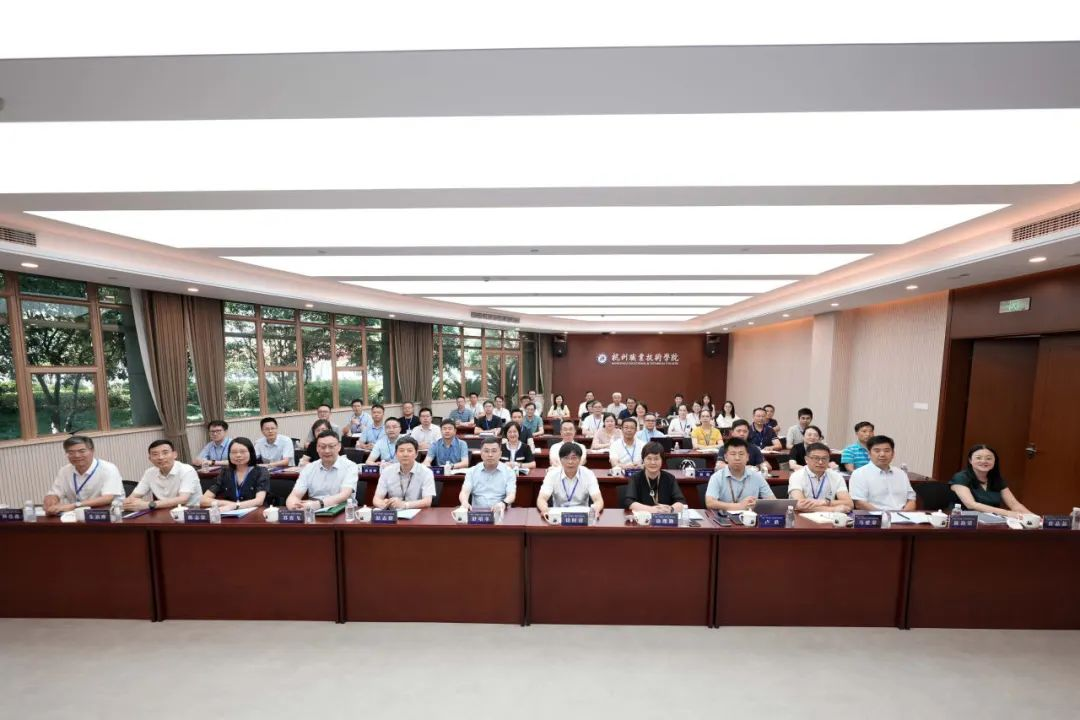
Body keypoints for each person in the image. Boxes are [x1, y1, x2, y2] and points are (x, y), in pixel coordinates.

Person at [44, 435, 124, 515]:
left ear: (92, 450)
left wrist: (75, 505)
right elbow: (54, 493)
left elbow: (107, 498)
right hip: (75, 515)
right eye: (71, 452)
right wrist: (51, 501)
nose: (76, 455)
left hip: (108, 515)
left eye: (82, 451)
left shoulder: (109, 469)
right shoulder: (65, 471)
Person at [949, 444, 1034, 518]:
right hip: (965, 521)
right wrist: (1007, 513)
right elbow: (971, 504)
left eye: (988, 458)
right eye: (978, 458)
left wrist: (1034, 518)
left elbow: (1014, 504)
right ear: (970, 460)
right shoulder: (961, 477)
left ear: (994, 461)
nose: (984, 461)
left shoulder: (996, 479)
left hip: (993, 520)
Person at [286, 431, 359, 510]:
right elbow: (295, 495)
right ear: (317, 448)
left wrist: (318, 504)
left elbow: (344, 494)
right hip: (313, 511)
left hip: (343, 510)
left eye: (331, 446)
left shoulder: (350, 466)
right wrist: (294, 508)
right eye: (323, 447)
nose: (327, 451)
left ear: (339, 447)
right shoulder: (309, 468)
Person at [124, 439, 201, 511]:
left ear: (175, 454)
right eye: (155, 454)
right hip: (164, 512)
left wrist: (149, 504)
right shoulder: (149, 473)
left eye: (165, 453)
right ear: (150, 459)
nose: (160, 457)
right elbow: (133, 497)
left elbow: (183, 499)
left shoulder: (187, 470)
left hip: (191, 512)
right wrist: (128, 503)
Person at [705, 438, 776, 512]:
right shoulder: (717, 477)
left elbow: (773, 501)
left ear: (747, 457)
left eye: (741, 454)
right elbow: (710, 503)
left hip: (750, 517)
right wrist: (739, 506)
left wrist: (758, 504)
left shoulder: (757, 477)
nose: (737, 458)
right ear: (725, 457)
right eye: (733, 454)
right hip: (724, 517)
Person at [199, 436, 270, 510]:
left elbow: (259, 501)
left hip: (255, 513)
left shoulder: (261, 471)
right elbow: (203, 500)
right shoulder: (225, 472)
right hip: (230, 513)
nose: (238, 455)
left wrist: (234, 506)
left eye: (242, 452)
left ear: (251, 453)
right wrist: (228, 504)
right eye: (233, 452)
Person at [849, 435, 916, 512]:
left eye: (887, 451)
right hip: (875, 516)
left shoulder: (901, 473)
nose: (882, 454)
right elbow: (859, 503)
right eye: (877, 451)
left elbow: (911, 499)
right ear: (869, 454)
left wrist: (902, 514)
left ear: (893, 454)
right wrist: (884, 516)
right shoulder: (859, 474)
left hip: (903, 516)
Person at [537, 443, 603, 516]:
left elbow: (598, 500)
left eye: (574, 458)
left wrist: (596, 509)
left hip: (582, 516)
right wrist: (544, 509)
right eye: (566, 458)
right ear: (560, 460)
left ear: (580, 459)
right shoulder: (552, 474)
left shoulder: (588, 474)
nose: (570, 462)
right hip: (558, 515)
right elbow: (542, 499)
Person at [372, 437, 435, 510]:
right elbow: (376, 499)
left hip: (418, 513)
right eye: (401, 451)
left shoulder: (426, 472)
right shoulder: (387, 471)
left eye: (409, 451)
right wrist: (383, 504)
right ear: (396, 454)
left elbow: (427, 501)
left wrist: (404, 505)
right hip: (394, 513)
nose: (405, 454)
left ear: (416, 454)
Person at [624, 441, 688, 513]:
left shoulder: (670, 478)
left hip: (664, 517)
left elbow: (681, 502)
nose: (653, 462)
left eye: (656, 459)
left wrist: (671, 509)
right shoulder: (635, 478)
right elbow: (629, 502)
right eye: (649, 459)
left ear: (662, 460)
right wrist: (652, 510)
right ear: (643, 460)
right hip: (643, 518)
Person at [788, 442, 853, 513]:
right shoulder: (796, 476)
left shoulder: (836, 476)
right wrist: (833, 509)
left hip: (829, 517)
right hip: (802, 516)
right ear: (806, 459)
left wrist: (825, 502)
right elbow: (800, 505)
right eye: (816, 458)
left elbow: (849, 503)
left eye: (824, 458)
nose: (820, 462)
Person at [459, 437, 516, 511]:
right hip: (478, 512)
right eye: (486, 451)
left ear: (500, 454)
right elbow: (464, 492)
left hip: (500, 511)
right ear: (481, 454)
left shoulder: (509, 472)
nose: (490, 455)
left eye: (494, 451)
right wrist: (464, 502)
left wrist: (503, 503)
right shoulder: (472, 471)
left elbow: (511, 495)